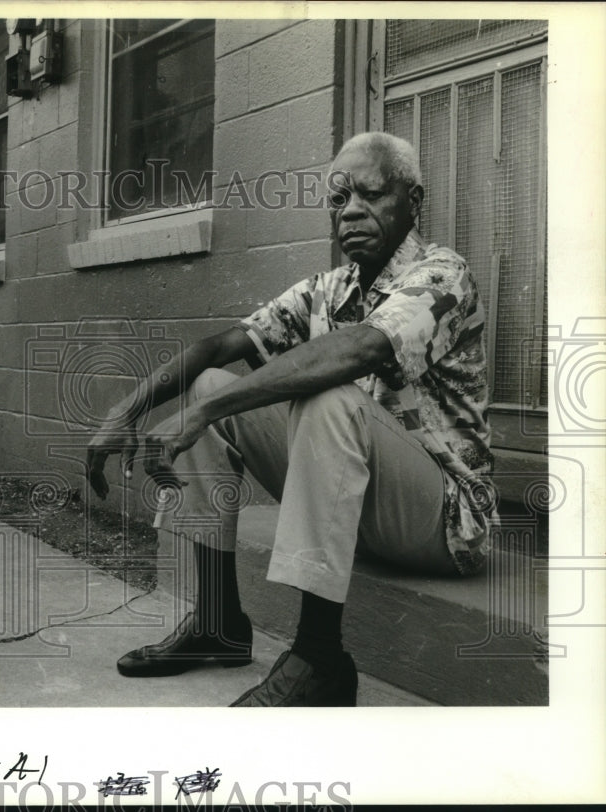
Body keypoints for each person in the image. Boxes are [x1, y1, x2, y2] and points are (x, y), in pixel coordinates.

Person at [86, 132, 495, 706]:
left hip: (444, 521)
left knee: (325, 395)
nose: (350, 210)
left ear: (413, 199)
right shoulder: (329, 290)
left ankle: (319, 658)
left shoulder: (443, 273)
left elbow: (363, 349)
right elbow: (220, 345)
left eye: (371, 194)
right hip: (366, 511)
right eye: (338, 200)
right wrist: (127, 409)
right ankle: (218, 623)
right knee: (210, 384)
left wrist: (203, 412)